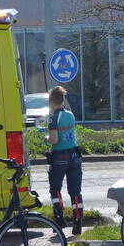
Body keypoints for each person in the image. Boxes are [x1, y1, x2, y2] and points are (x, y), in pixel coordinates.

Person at [44, 85, 83, 235]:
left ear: (51, 102)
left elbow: (54, 140)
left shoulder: (53, 118)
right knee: (75, 191)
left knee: (55, 189)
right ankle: (77, 222)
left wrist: (46, 138)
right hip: (74, 156)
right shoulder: (70, 115)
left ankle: (59, 220)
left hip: (59, 157)